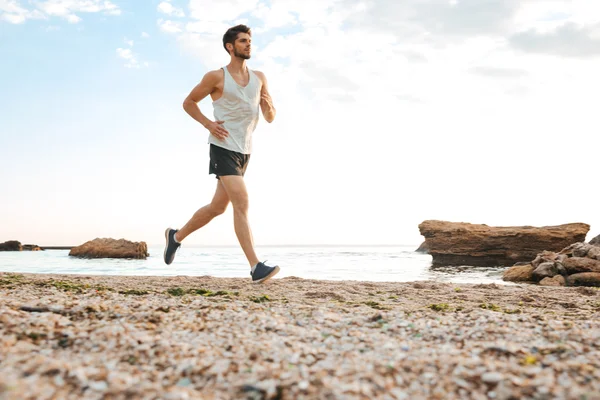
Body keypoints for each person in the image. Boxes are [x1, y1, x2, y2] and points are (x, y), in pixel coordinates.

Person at [163, 24, 280, 284]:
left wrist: (268, 104)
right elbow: (188, 102)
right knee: (242, 202)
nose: (249, 44)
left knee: (218, 207)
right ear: (230, 46)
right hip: (222, 146)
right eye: (243, 41)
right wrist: (209, 124)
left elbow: (270, 118)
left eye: (250, 40)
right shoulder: (216, 77)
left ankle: (176, 236)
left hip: (245, 150)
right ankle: (255, 267)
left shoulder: (260, 77)